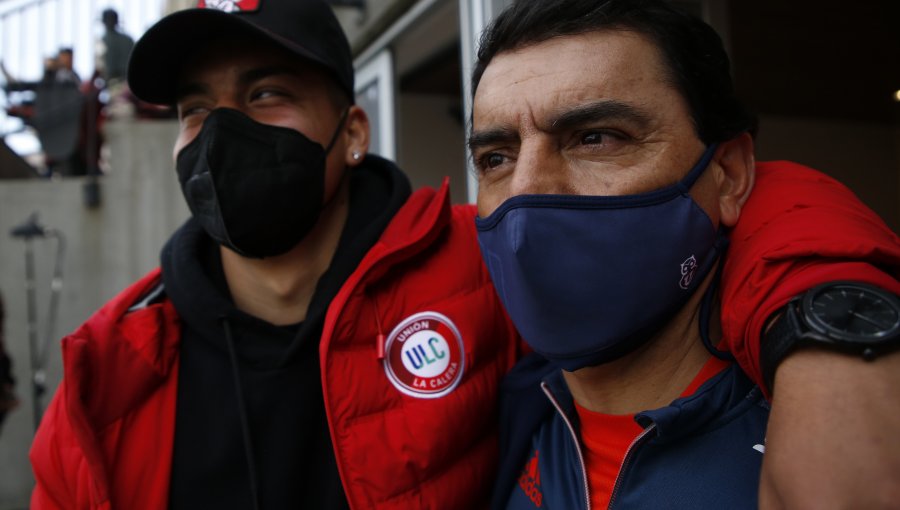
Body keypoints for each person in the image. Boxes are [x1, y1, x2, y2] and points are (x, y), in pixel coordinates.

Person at [28, 1, 900, 509]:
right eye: (195, 108)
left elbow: (746, 204)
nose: (221, 134)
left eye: (266, 95)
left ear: (354, 129)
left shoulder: (483, 273)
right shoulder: (110, 368)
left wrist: (832, 334)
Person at [468, 1, 900, 509]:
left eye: (596, 138)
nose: (525, 193)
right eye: (496, 158)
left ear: (728, 175)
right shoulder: (510, 408)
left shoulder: (828, 428)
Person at [99, 9, 135, 85]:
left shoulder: (103, 41)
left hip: (114, 83)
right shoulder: (128, 40)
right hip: (130, 83)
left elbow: (101, 68)